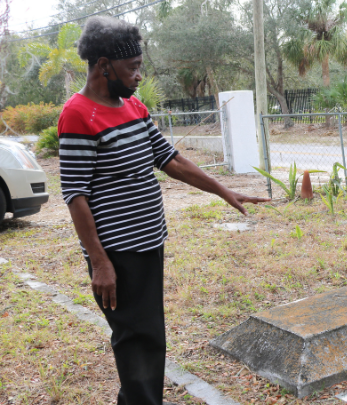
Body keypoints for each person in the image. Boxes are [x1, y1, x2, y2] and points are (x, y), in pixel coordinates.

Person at [58, 16, 269, 404]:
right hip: (117, 252)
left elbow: (170, 159)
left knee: (148, 334)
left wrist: (224, 191)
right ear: (104, 65)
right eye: (133, 67)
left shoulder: (132, 105)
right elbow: (75, 195)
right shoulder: (78, 114)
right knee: (136, 338)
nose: (139, 75)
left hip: (148, 242)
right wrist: (100, 262)